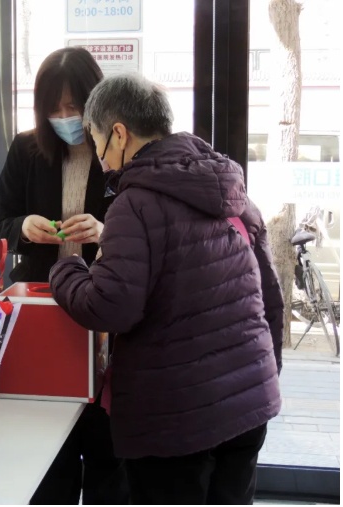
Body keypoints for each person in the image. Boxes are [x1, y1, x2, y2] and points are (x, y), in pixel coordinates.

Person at [49, 73, 284, 505]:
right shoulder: (230, 189)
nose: (100, 159)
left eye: (97, 141)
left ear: (119, 134)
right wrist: (265, 376)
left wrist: (66, 270)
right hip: (249, 402)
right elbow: (271, 296)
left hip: (178, 418)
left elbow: (109, 307)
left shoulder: (134, 204)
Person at [0, 47, 129, 505]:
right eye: (54, 108)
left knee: (106, 447)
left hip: (102, 313)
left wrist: (105, 232)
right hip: (44, 311)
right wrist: (23, 228)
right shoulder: (27, 149)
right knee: (50, 455)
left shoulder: (119, 154)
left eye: (74, 106)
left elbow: (141, 231)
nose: (65, 118)